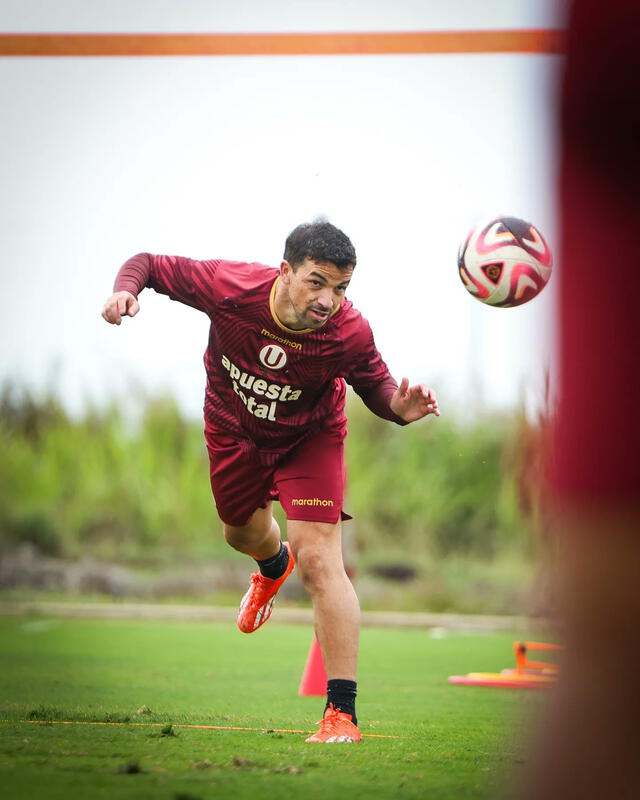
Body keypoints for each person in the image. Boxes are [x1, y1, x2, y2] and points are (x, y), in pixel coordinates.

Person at [102, 220, 440, 743]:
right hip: (234, 430)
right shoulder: (230, 287)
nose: (329, 300)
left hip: (311, 436)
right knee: (240, 534)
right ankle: (270, 564)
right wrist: (125, 290)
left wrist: (401, 407)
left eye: (342, 287)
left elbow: (379, 389)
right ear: (285, 272)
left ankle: (341, 714)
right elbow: (148, 263)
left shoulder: (349, 330)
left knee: (320, 558)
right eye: (317, 282)